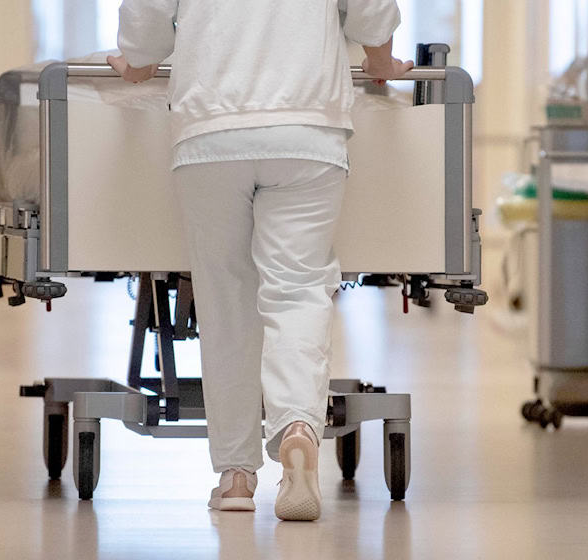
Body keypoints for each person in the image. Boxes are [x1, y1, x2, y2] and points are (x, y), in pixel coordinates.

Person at [109, 0, 411, 521]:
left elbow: (146, 15)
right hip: (307, 128)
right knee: (297, 288)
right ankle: (297, 426)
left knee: (225, 299)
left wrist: (136, 62)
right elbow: (371, 8)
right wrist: (381, 60)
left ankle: (235, 477)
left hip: (211, 128)